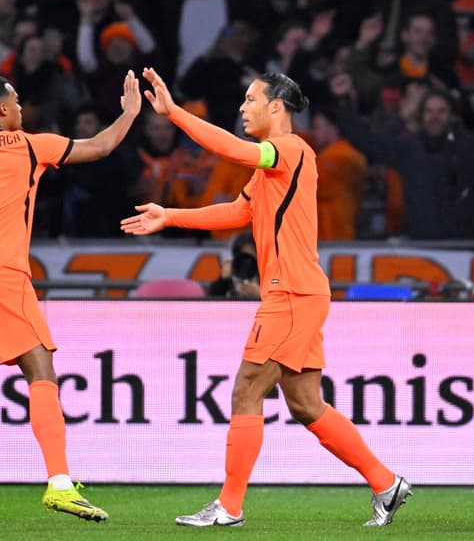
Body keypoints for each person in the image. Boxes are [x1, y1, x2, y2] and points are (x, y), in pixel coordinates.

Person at [122, 67, 411, 528]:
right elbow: (239, 211)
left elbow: (233, 150)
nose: (242, 108)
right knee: (306, 405)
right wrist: (171, 216)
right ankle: (386, 483)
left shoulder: (289, 150)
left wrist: (175, 114)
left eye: (250, 100)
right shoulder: (272, 167)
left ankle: (229, 507)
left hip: (291, 293)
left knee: (247, 388)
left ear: (276, 107)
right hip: (299, 292)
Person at [0, 70, 141, 528]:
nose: (22, 109)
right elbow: (100, 146)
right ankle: (60, 483)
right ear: (2, 109)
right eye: (17, 101)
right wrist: (129, 113)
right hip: (3, 269)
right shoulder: (27, 145)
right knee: (41, 372)